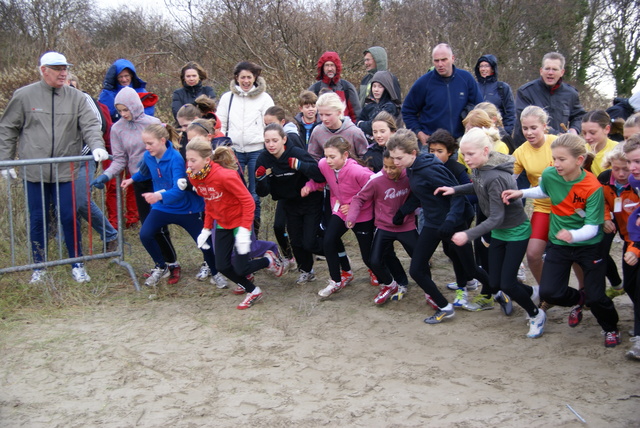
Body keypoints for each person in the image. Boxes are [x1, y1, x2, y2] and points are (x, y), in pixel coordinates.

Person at [503, 134, 621, 348]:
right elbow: (544, 191)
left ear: (579, 160)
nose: (555, 164)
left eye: (561, 160)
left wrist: (572, 235)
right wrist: (521, 192)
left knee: (597, 298)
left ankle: (611, 327)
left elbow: (592, 227)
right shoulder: (550, 174)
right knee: (550, 292)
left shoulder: (592, 186)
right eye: (554, 158)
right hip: (560, 244)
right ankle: (580, 299)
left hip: (589, 247)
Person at [0, 52, 108, 283]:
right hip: (35, 171)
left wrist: (97, 145)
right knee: (38, 218)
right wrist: (5, 160)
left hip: (65, 170)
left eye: (65, 68)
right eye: (57, 68)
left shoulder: (76, 97)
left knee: (69, 216)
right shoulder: (24, 96)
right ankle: (39, 267)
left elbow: (90, 125)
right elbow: (8, 128)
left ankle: (77, 264)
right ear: (43, 70)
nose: (63, 73)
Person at [435, 128, 543, 338]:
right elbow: (476, 186)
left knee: (507, 284)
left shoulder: (495, 177)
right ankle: (534, 292)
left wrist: (468, 234)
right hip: (500, 233)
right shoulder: (480, 168)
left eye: (470, 154)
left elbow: (496, 217)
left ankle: (536, 314)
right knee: (494, 282)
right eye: (463, 154)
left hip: (515, 232)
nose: (466, 159)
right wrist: (454, 190)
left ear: (486, 150)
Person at [387, 129, 480, 324]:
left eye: (399, 158)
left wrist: (450, 221)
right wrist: (404, 211)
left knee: (470, 268)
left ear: (413, 153)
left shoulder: (430, 169)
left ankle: (500, 289)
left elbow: (456, 194)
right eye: (393, 158)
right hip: (432, 223)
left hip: (452, 222)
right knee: (417, 269)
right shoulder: (412, 169)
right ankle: (444, 307)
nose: (395, 163)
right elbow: (421, 194)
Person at [91, 87, 181, 284]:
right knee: (147, 227)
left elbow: (167, 152)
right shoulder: (117, 128)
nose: (123, 114)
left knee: (160, 225)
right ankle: (160, 264)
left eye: (126, 110)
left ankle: (172, 263)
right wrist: (105, 176)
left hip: (159, 180)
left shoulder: (153, 123)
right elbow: (120, 160)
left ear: (135, 105)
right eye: (120, 110)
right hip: (138, 182)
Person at [185, 137, 284, 310]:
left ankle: (269, 260)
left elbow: (248, 202)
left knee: (241, 268)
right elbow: (209, 201)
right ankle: (253, 291)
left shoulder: (225, 176)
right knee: (221, 265)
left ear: (207, 160)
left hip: (240, 222)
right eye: (188, 160)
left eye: (193, 160)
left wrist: (245, 230)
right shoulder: (194, 177)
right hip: (222, 223)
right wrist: (207, 228)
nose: (189, 164)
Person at [120, 124, 218, 287]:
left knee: (203, 242)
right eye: (145, 143)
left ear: (162, 141)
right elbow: (144, 171)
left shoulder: (176, 159)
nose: (147, 147)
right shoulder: (148, 157)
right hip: (163, 207)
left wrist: (158, 195)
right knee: (146, 234)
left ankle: (215, 270)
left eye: (150, 143)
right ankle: (161, 266)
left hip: (186, 207)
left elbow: (178, 189)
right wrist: (132, 179)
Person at [302, 136, 376, 297]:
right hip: (340, 210)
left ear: (345, 155)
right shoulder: (323, 164)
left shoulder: (358, 171)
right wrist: (310, 186)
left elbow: (374, 190)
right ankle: (337, 280)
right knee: (329, 240)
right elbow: (322, 181)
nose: (328, 160)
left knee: (367, 255)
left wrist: (353, 206)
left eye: (332, 157)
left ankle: (376, 271)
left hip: (362, 213)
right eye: (326, 156)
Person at [256, 124, 325, 284]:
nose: (271, 144)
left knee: (310, 242)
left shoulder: (296, 153)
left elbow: (320, 176)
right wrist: (260, 180)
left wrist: (300, 166)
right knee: (296, 241)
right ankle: (306, 271)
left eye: (275, 140)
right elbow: (262, 192)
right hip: (288, 202)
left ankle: (337, 253)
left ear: (284, 139)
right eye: (267, 141)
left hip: (309, 200)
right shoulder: (263, 159)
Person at [346, 150, 417, 305]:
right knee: (375, 260)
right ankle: (391, 284)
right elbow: (359, 198)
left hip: (407, 225)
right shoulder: (376, 180)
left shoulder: (410, 176)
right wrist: (352, 216)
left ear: (400, 164)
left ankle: (427, 290)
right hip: (384, 226)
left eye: (393, 167)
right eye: (386, 167)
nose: (389, 171)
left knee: (419, 258)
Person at [217, 61, 274, 233]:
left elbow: (270, 123)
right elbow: (221, 122)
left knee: (254, 194)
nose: (246, 81)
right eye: (243, 77)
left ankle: (253, 233)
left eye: (249, 77)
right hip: (233, 150)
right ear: (237, 78)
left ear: (255, 78)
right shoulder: (228, 98)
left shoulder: (264, 98)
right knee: (235, 192)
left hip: (257, 149)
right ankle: (238, 229)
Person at [65, 74, 119, 252]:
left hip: (84, 157)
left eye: (73, 85)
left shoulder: (85, 100)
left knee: (81, 200)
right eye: (67, 84)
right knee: (60, 202)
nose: (69, 88)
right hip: (60, 160)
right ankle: (64, 243)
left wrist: (89, 150)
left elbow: (99, 125)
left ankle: (110, 234)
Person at [402, 43, 482, 145]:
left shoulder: (466, 79)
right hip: (432, 144)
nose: (440, 64)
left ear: (452, 58)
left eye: (444, 60)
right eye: (436, 60)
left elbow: (480, 108)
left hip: (460, 142)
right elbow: (407, 110)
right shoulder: (423, 83)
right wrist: (419, 133)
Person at [512, 106, 557, 286]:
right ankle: (545, 289)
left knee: (572, 253)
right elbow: (508, 178)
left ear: (544, 126)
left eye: (533, 128)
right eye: (525, 128)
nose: (529, 133)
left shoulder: (557, 143)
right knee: (532, 254)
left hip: (567, 207)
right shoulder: (521, 152)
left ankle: (584, 292)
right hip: (542, 207)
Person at [513, 52, 586, 147]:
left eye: (555, 69)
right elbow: (524, 119)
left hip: (557, 148)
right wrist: (556, 134)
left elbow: (579, 116)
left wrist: (574, 130)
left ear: (562, 72)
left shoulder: (571, 94)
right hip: (529, 148)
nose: (550, 73)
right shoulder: (525, 92)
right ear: (541, 71)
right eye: (547, 69)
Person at [598, 144, 634, 299]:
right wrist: (606, 217)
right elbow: (601, 200)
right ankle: (618, 286)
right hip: (619, 225)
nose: (620, 174)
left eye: (625, 169)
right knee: (599, 250)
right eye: (616, 168)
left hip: (634, 232)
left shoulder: (636, 182)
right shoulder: (605, 178)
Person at [621, 135, 640, 359]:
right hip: (635, 240)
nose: (632, 168)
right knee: (631, 284)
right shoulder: (634, 181)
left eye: (637, 162)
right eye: (630, 162)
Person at [307, 92, 369, 161]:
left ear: (339, 112)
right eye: (321, 115)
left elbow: (365, 158)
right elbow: (313, 157)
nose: (324, 119)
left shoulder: (354, 132)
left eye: (328, 115)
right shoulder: (318, 131)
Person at [308, 51, 361, 122]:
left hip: (344, 130)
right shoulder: (314, 89)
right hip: (321, 130)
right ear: (322, 68)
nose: (330, 69)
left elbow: (356, 114)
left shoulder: (347, 87)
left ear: (337, 67)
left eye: (332, 65)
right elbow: (307, 114)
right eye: (327, 65)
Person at [473, 54, 516, 136]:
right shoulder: (473, 87)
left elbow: (510, 114)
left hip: (497, 133)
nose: (483, 69)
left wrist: (505, 133)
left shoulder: (502, 88)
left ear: (492, 68)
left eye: (486, 66)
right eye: (481, 66)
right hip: (477, 132)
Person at [357, 70, 402, 139]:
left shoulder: (390, 107)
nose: (376, 90)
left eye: (380, 87)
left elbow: (373, 126)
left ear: (386, 89)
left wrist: (361, 124)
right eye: (374, 86)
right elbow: (357, 123)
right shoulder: (369, 106)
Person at [582, 110, 619, 177]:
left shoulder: (617, 150)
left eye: (592, 133)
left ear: (607, 129)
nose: (587, 137)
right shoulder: (581, 150)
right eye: (584, 133)